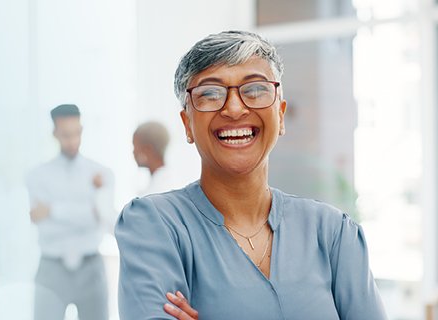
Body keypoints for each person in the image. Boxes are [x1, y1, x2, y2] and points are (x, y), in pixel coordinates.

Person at [114, 31, 387, 320]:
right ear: (188, 124)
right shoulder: (154, 225)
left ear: (280, 115)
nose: (234, 108)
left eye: (255, 90)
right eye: (210, 93)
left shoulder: (333, 234)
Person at [25, 104, 114, 320]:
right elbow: (43, 225)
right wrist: (85, 212)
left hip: (91, 267)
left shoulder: (101, 173)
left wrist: (53, 210)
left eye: (77, 133)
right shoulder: (37, 176)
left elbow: (101, 219)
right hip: (51, 268)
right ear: (55, 133)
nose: (72, 141)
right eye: (66, 135)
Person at [132, 121, 177, 196]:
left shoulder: (158, 191)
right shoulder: (166, 182)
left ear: (147, 149)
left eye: (135, 147)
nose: (133, 152)